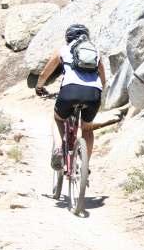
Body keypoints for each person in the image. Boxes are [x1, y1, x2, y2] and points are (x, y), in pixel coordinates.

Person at [35, 24, 106, 168]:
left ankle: (58, 149)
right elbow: (103, 78)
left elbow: (44, 73)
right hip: (93, 94)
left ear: (68, 37)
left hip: (69, 91)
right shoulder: (96, 52)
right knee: (87, 128)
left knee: (58, 119)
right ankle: (85, 165)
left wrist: (39, 86)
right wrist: (99, 92)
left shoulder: (63, 50)